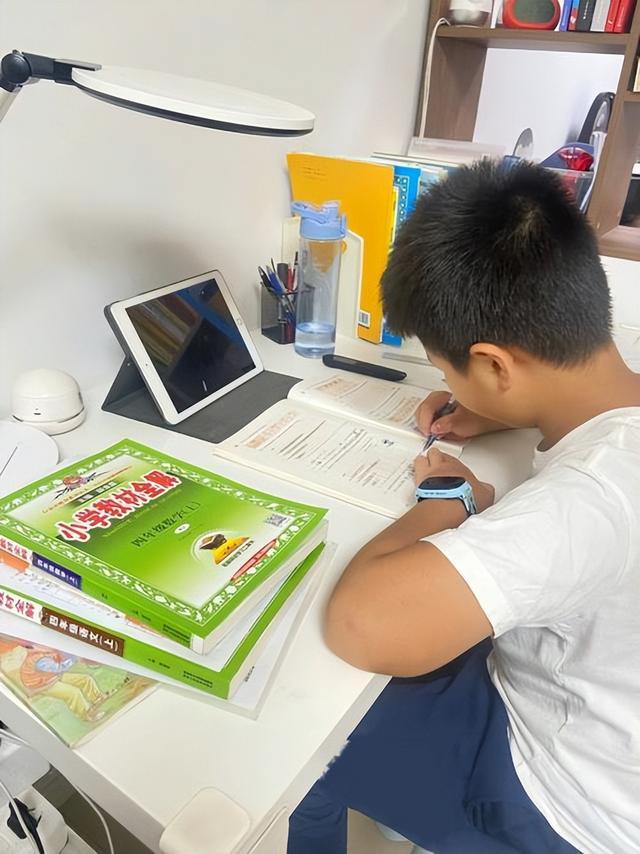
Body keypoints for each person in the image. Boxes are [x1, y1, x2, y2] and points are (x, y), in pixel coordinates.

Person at [287, 161, 640, 854]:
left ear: (495, 365)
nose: (448, 385)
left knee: (303, 734)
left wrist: (447, 500)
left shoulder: (591, 501)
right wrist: (505, 409)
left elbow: (363, 624)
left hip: (559, 803)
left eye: (450, 370)